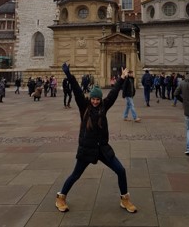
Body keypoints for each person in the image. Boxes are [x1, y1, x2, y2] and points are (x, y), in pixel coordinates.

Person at [55, 63, 137, 214]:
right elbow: (77, 90)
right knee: (75, 175)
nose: (95, 101)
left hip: (102, 148)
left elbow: (113, 93)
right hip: (87, 149)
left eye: (97, 99)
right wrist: (69, 75)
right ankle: (61, 197)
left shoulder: (104, 106)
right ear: (90, 98)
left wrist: (122, 78)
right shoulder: (84, 106)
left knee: (121, 170)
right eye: (93, 99)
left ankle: (124, 199)